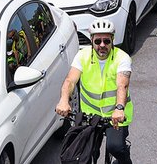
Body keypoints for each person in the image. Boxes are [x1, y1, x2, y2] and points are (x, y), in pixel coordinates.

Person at [56, 19, 133, 164]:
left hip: (115, 116)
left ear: (112, 40)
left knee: (116, 147)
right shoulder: (82, 56)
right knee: (85, 153)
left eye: (106, 41)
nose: (102, 45)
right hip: (90, 115)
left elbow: (122, 85)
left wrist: (119, 109)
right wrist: (64, 100)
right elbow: (70, 81)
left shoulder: (122, 58)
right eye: (98, 41)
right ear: (91, 40)